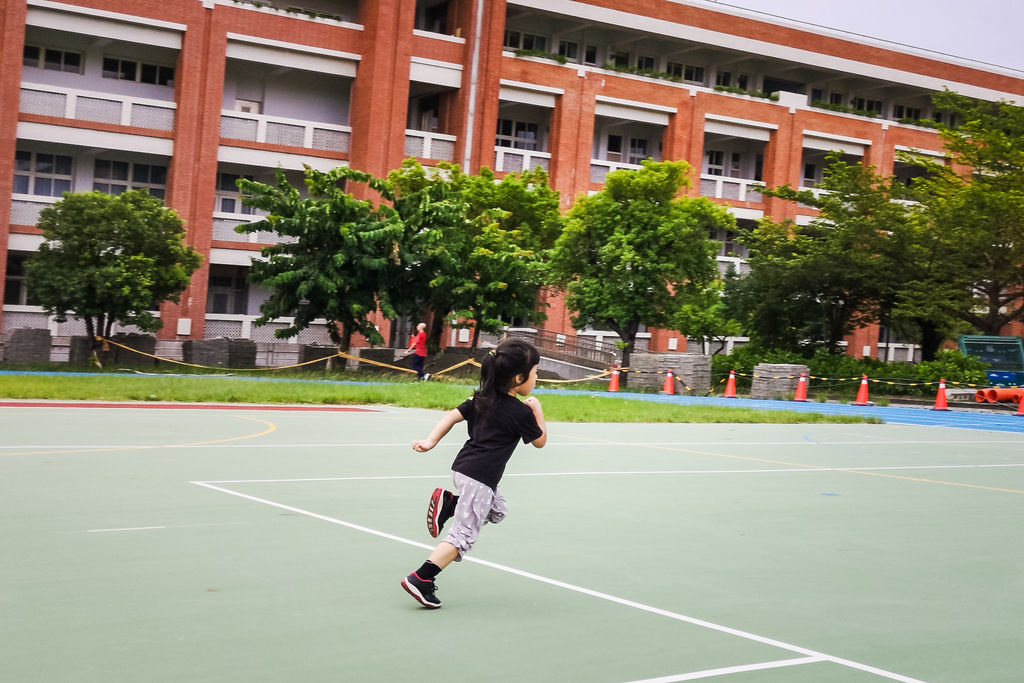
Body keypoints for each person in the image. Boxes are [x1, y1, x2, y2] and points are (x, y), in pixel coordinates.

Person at [400, 338, 547, 609]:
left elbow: (450, 416)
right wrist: (536, 409)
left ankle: (452, 503)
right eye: (535, 373)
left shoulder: (480, 398)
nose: (537, 378)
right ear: (518, 378)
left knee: (498, 510)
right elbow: (540, 441)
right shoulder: (520, 412)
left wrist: (431, 441)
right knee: (463, 536)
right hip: (479, 479)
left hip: (463, 471)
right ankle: (422, 578)